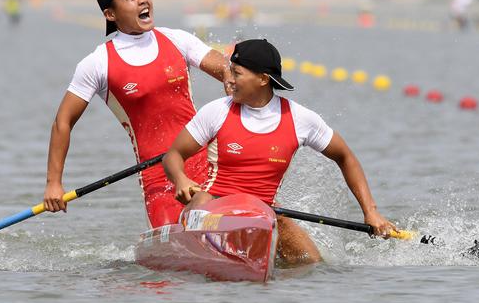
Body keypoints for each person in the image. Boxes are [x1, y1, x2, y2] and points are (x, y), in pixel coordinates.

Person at [162, 39, 397, 264]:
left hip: (263, 212)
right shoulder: (216, 112)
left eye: (236, 73)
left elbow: (346, 157)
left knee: (311, 263)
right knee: (202, 198)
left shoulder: (300, 119)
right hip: (213, 203)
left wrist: (371, 213)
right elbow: (173, 155)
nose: (228, 79)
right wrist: (180, 179)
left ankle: (263, 264)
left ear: (263, 79)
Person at [43, 0, 229, 228]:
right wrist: (54, 183)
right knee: (175, 248)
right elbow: (63, 122)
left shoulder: (177, 39)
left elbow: (227, 71)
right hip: (157, 176)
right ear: (110, 14)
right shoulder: (98, 63)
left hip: (207, 164)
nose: (142, 0)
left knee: (212, 221)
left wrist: (233, 78)